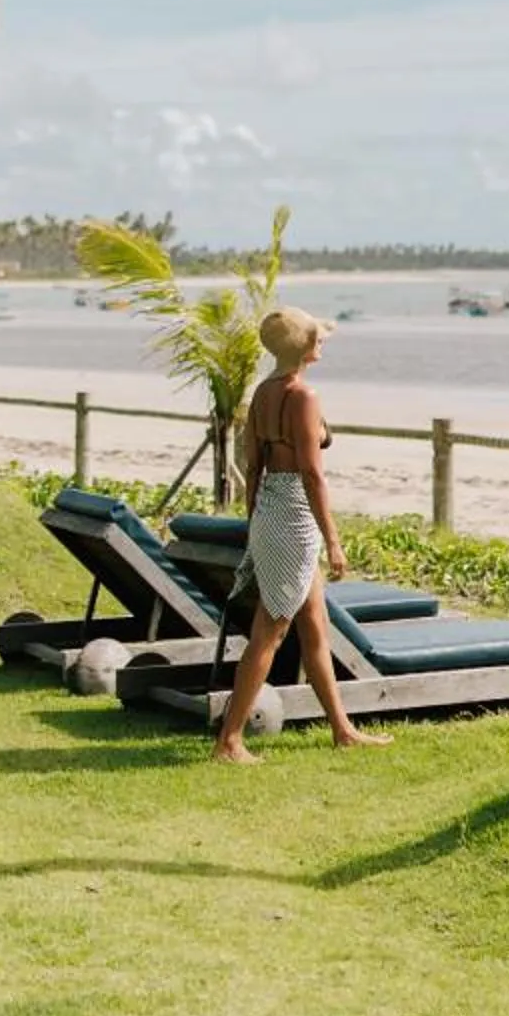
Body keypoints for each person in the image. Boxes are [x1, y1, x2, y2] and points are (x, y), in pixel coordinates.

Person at [211, 305, 391, 765]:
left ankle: (342, 730)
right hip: (294, 512)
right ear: (305, 346)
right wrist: (332, 539)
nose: (323, 343)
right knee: (269, 633)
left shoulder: (263, 393)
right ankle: (229, 740)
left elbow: (254, 467)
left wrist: (256, 519)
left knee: (315, 630)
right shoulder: (303, 397)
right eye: (318, 337)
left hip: (271, 507)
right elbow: (312, 475)